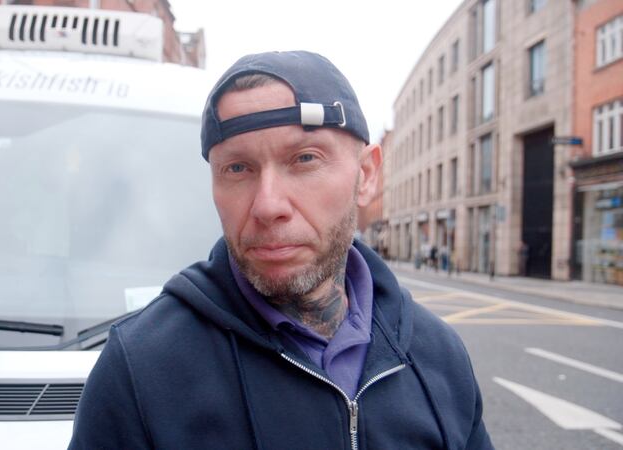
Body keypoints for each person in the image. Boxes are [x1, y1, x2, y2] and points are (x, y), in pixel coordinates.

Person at [68, 51, 492, 449]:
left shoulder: (439, 353)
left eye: (304, 159)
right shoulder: (142, 368)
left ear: (366, 176)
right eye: (237, 168)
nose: (268, 205)